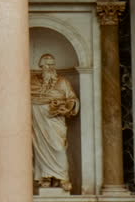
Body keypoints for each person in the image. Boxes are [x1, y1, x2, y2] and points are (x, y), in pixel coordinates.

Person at [30, 53, 79, 192]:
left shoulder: (63, 82)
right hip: (38, 120)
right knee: (40, 149)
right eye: (46, 64)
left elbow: (72, 99)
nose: (50, 67)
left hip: (55, 121)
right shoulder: (32, 82)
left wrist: (64, 107)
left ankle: (63, 177)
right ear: (40, 66)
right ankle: (45, 177)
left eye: (52, 64)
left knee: (59, 147)